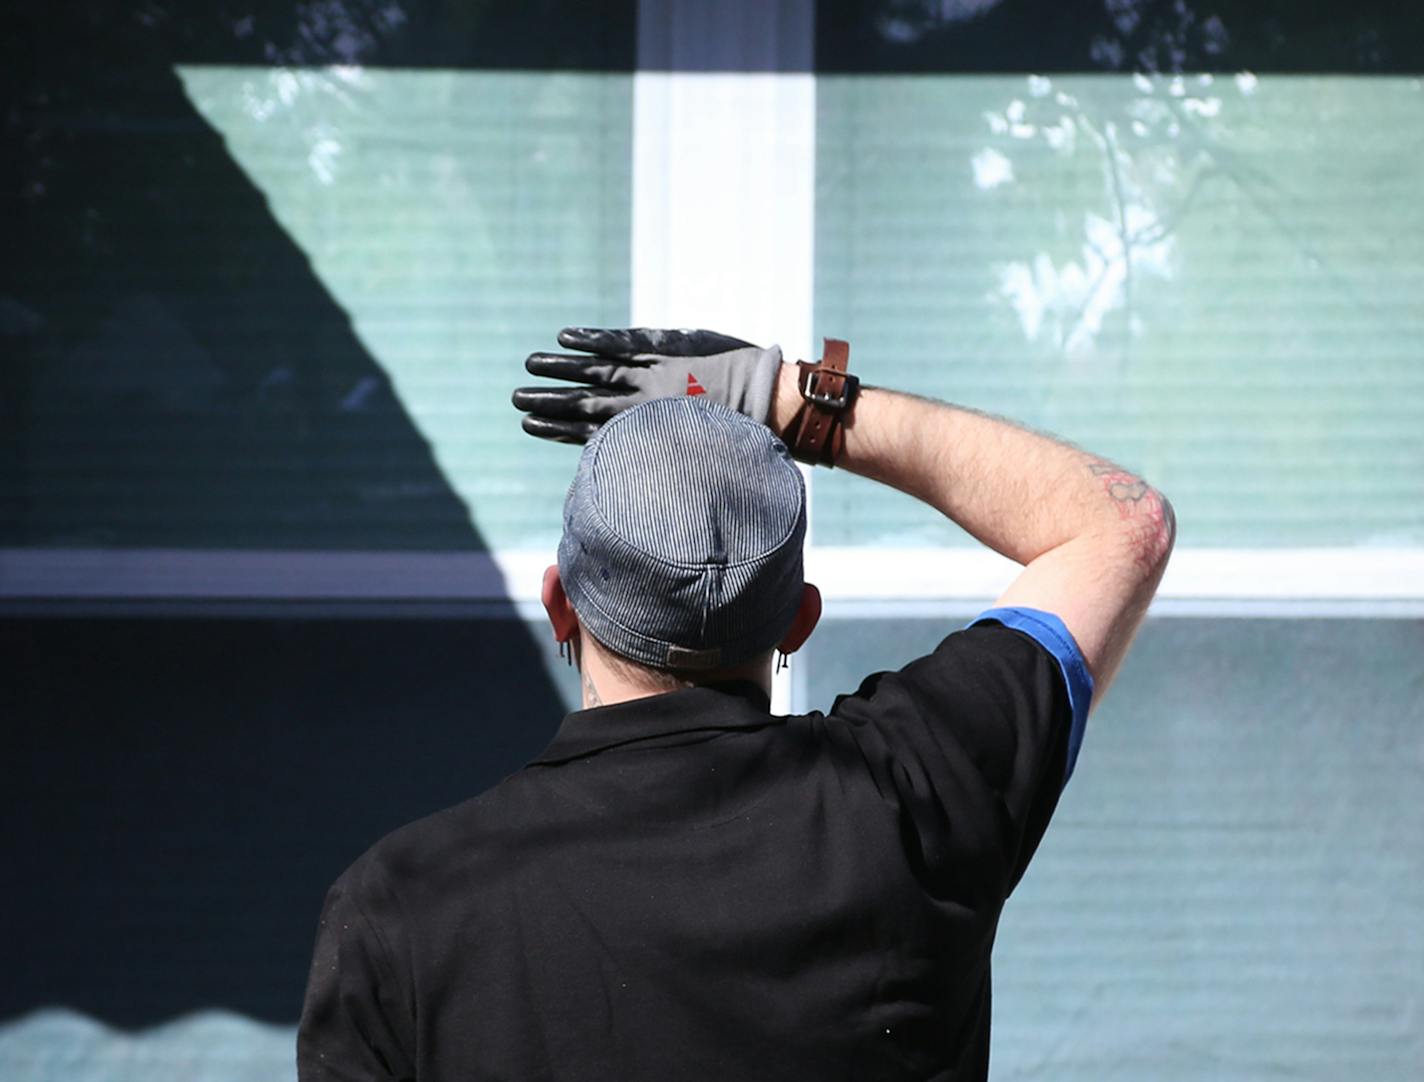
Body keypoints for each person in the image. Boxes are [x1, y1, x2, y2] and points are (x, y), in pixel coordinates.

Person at [297, 328, 1175, 1081]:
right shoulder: (913, 799)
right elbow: (1120, 527)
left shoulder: (400, 911)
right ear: (800, 621)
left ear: (560, 602)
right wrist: (797, 401)